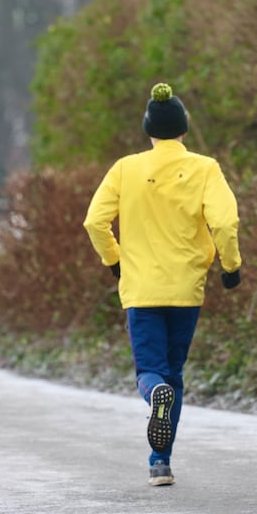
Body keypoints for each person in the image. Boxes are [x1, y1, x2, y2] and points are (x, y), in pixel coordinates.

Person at [83, 83, 242, 486]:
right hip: (186, 289)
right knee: (174, 372)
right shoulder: (206, 168)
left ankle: (155, 409)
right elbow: (223, 222)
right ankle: (160, 460)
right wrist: (231, 265)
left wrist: (114, 260)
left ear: (148, 131)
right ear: (184, 130)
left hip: (141, 289)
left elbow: (94, 221)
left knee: (150, 372)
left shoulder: (125, 168)